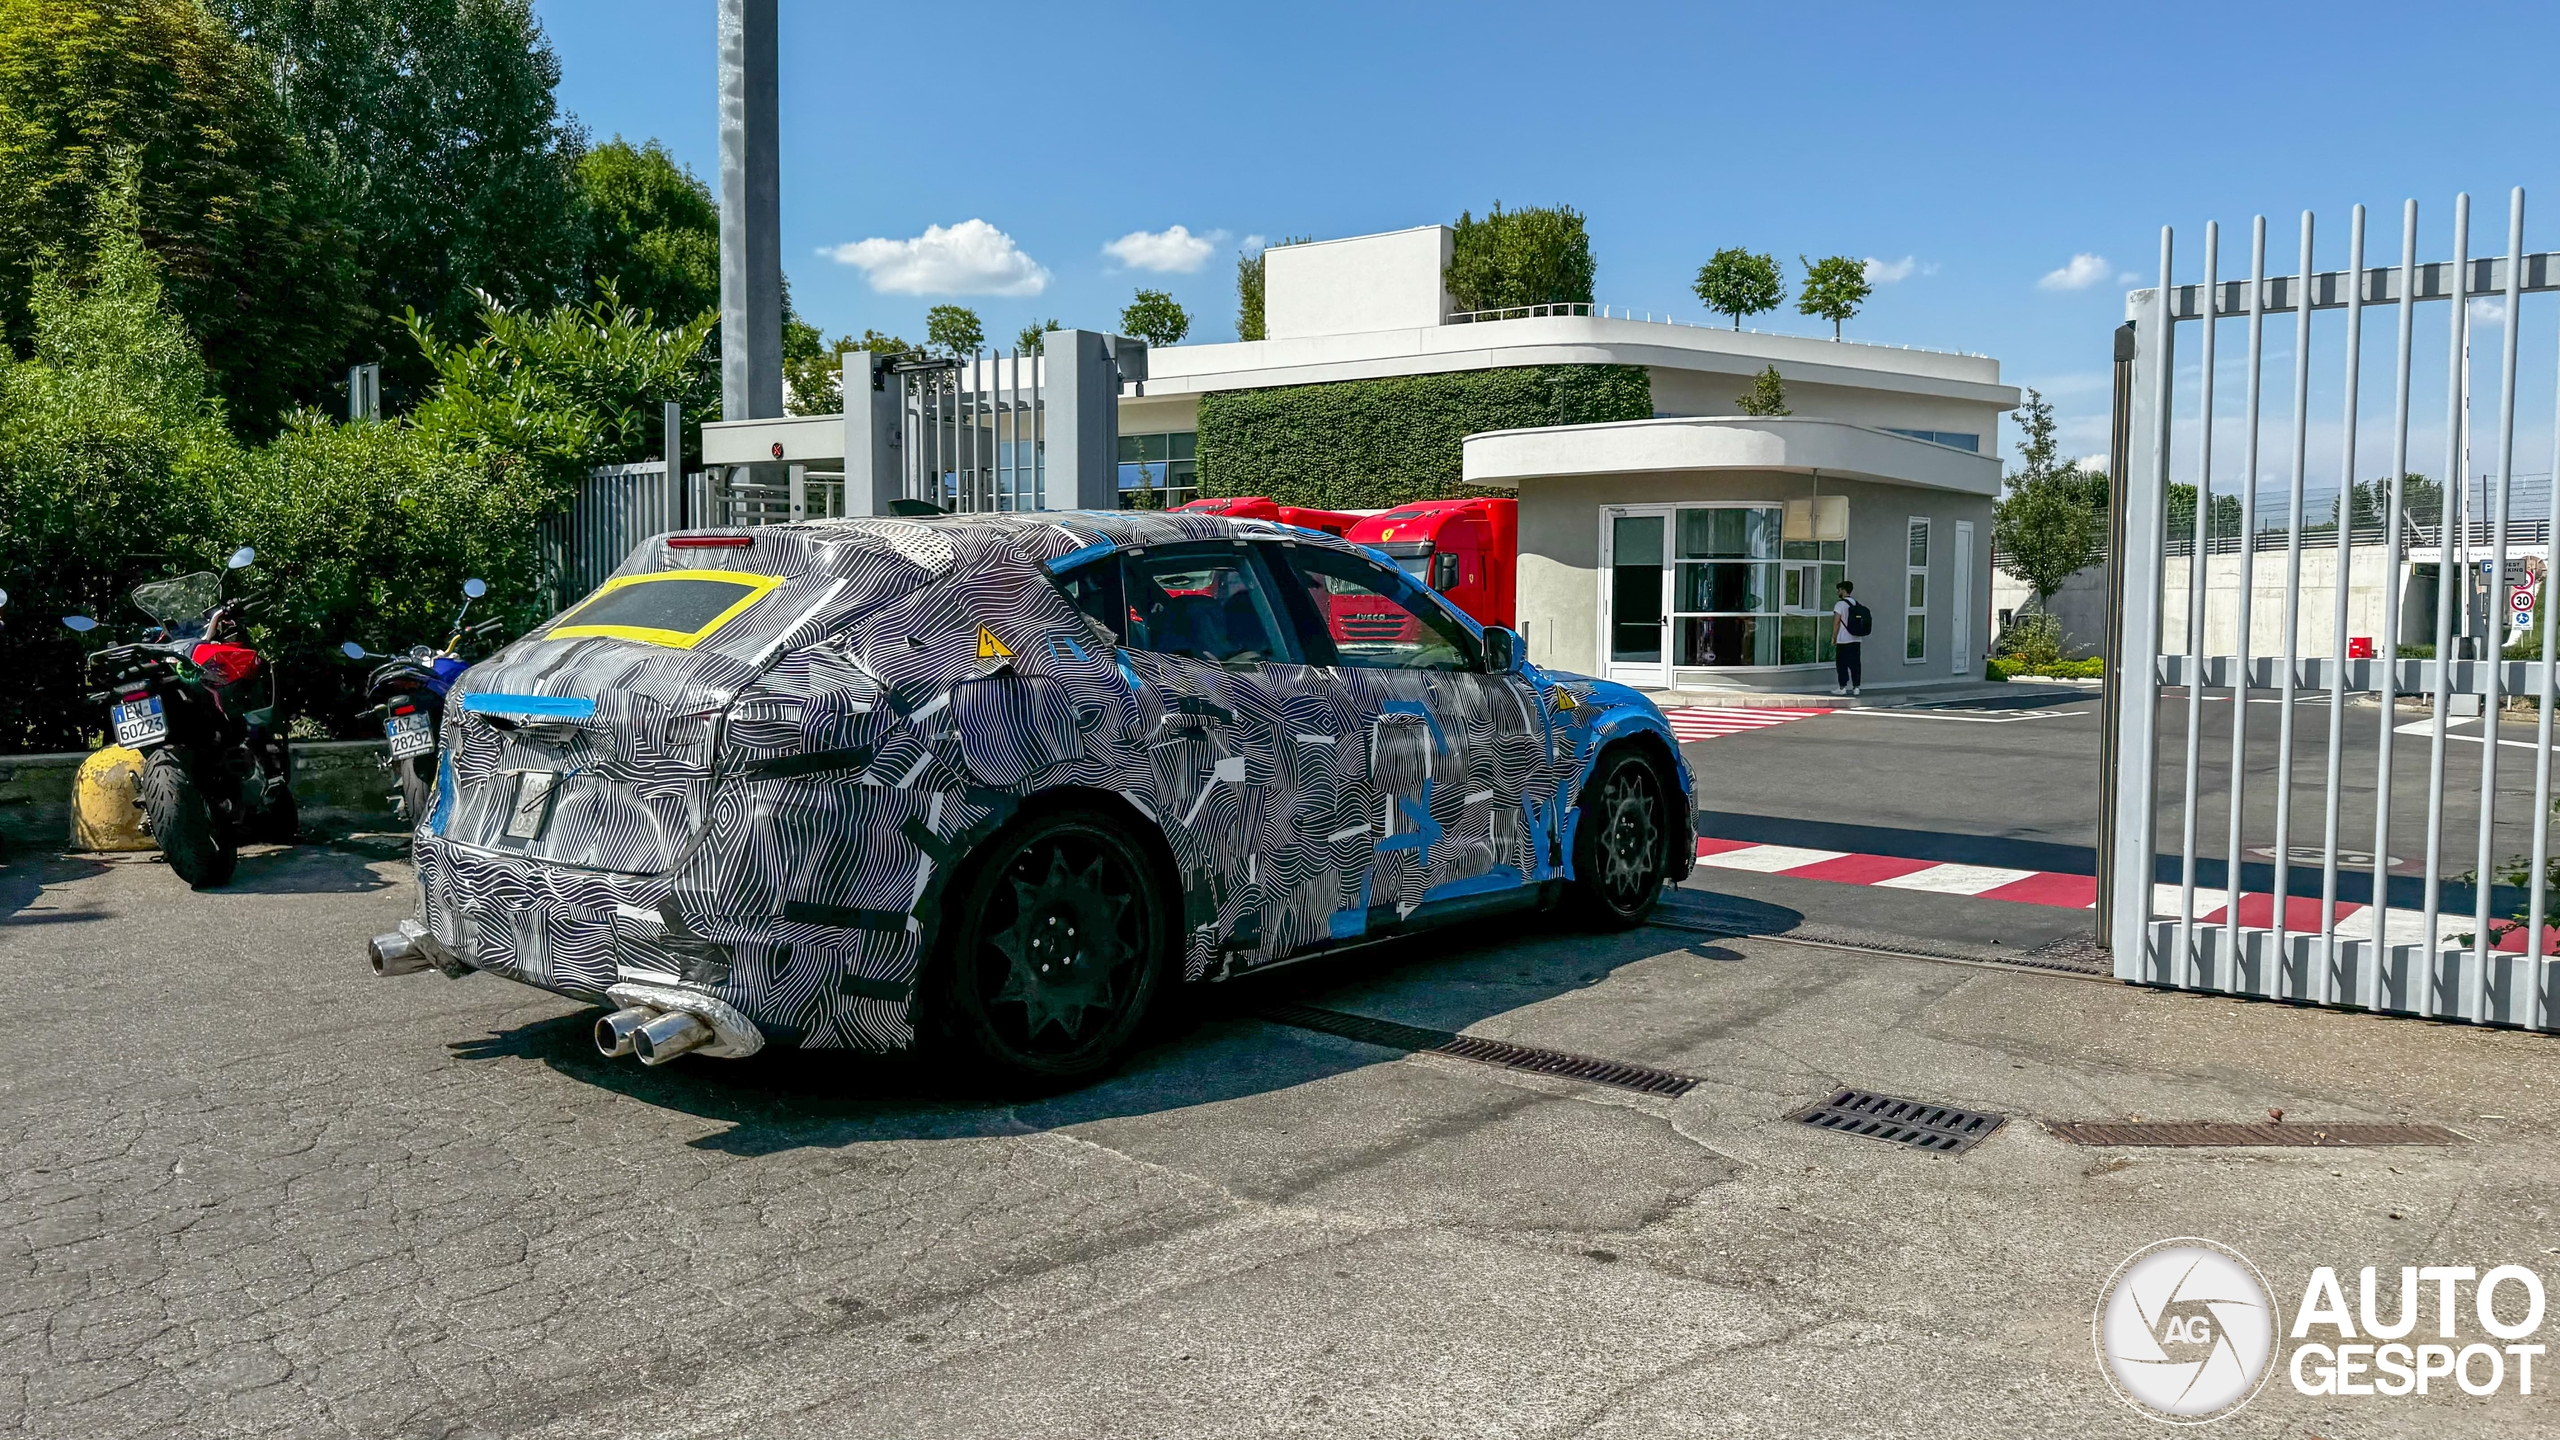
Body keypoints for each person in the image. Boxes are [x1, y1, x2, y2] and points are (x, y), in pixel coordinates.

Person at [1832, 580, 1863, 696]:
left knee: (1842, 664)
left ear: (1843, 591)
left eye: (1839, 590)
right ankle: (1856, 687)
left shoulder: (1840, 604)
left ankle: (1842, 687)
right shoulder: (1856, 603)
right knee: (1855, 664)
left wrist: (1834, 637)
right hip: (1856, 639)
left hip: (1843, 640)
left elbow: (1836, 622)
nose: (1837, 592)